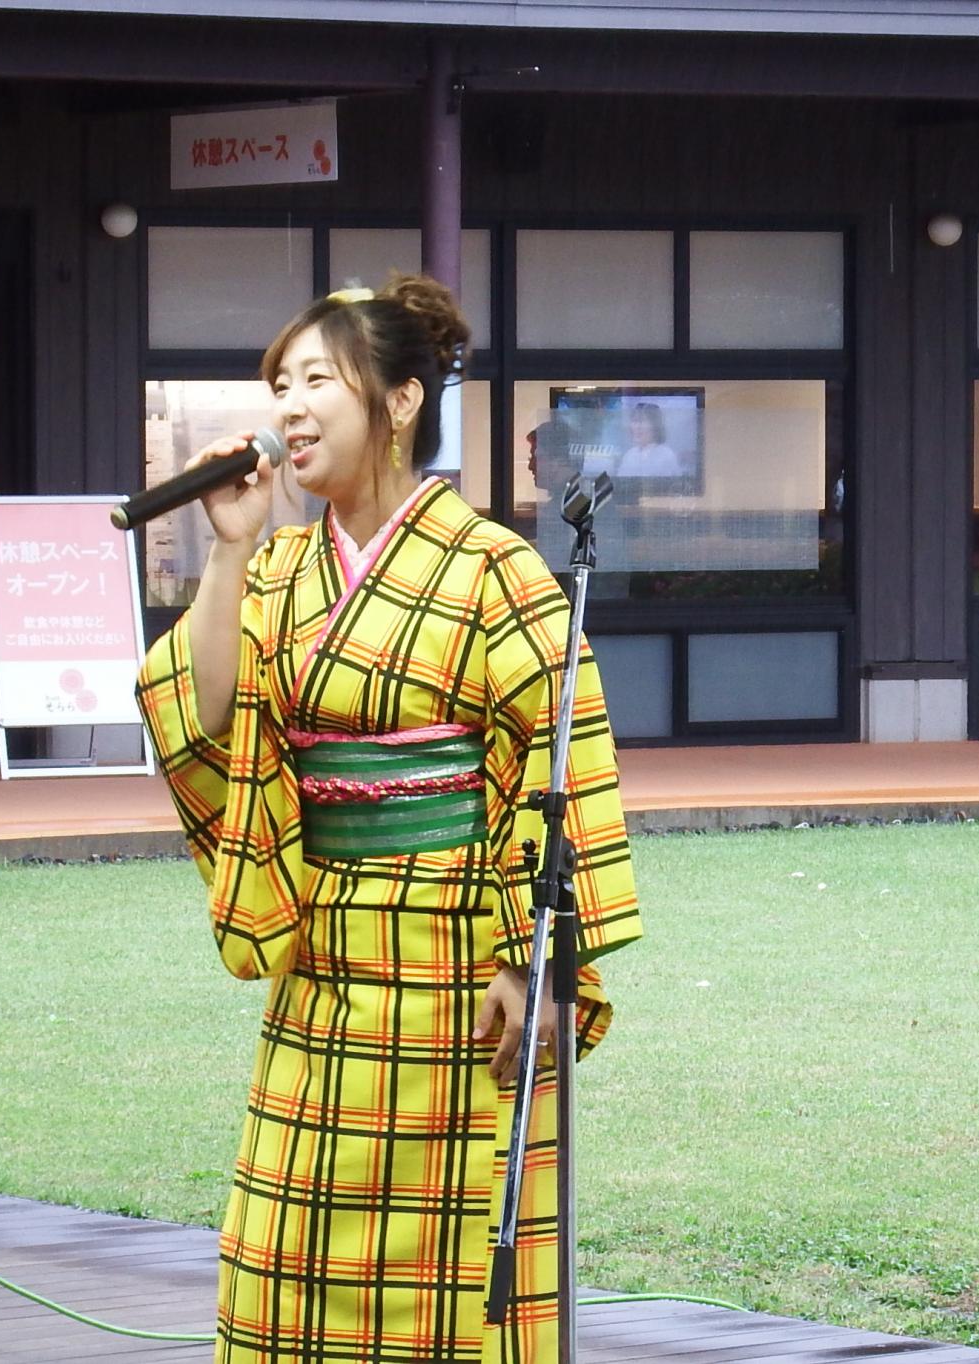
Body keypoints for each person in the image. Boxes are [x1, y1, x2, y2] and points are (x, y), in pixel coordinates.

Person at [135, 276, 642, 1363]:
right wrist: (225, 547)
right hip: (320, 951)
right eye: (280, 384)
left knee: (452, 1273)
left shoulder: (490, 567)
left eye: (318, 378)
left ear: (400, 400)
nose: (291, 406)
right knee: (286, 1259)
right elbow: (202, 720)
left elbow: (560, 763)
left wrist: (538, 960)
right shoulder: (273, 565)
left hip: (457, 962)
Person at [614, 400, 683, 479]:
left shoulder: (667, 456)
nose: (637, 427)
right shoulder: (629, 455)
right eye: (635, 421)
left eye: (642, 421)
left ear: (655, 426)